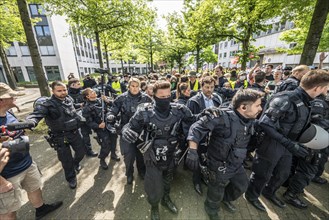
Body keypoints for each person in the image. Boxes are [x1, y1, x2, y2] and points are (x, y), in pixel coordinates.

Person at [245, 70, 329, 212]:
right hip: (272, 144)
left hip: (289, 145)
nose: (327, 90)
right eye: (326, 87)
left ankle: (268, 192)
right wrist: (290, 144)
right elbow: (264, 124)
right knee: (262, 173)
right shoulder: (286, 99)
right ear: (317, 88)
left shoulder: (307, 101)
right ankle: (252, 196)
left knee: (282, 174)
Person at [122, 81, 196, 220]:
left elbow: (194, 122)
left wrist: (208, 114)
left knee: (168, 180)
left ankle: (166, 199)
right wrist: (125, 131)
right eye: (162, 97)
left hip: (172, 153)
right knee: (154, 185)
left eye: (168, 96)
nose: (166, 99)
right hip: (152, 155)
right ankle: (154, 206)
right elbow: (129, 126)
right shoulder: (144, 112)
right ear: (154, 96)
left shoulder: (179, 110)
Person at [186, 88, 264, 220]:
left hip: (236, 163)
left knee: (241, 186)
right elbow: (196, 128)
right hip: (219, 165)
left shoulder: (250, 119)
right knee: (216, 190)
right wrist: (192, 150)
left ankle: (224, 199)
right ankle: (211, 208)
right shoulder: (221, 116)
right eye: (257, 105)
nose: (261, 108)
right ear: (243, 107)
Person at [0, 83, 62, 219]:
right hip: (7, 174)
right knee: (8, 210)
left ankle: (41, 209)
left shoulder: (9, 113)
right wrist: (2, 182)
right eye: (11, 96)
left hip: (25, 163)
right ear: (1, 100)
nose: (14, 98)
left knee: (34, 188)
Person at [26, 81, 86, 189]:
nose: (63, 92)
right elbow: (37, 114)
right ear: (53, 91)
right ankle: (71, 177)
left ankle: (75, 163)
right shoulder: (48, 104)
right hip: (60, 136)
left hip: (75, 133)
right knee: (66, 159)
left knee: (81, 152)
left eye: (64, 90)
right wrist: (31, 121)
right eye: (59, 91)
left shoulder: (69, 99)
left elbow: (72, 107)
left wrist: (81, 105)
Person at [283, 71, 329, 209]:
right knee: (307, 169)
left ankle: (291, 185)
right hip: (312, 141)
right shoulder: (318, 102)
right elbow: (316, 123)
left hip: (313, 139)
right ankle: (292, 193)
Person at [107, 78, 153, 184]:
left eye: (137, 86)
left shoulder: (146, 98)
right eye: (132, 86)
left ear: (140, 87)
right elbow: (113, 110)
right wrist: (110, 115)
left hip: (141, 131)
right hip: (126, 130)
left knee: (141, 154)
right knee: (128, 156)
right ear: (129, 86)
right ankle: (129, 173)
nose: (135, 88)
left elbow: (153, 112)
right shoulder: (121, 98)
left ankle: (142, 171)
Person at [186, 76, 222, 195]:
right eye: (207, 87)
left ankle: (204, 176)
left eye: (212, 87)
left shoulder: (217, 99)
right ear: (201, 87)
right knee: (197, 158)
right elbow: (189, 120)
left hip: (213, 136)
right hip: (199, 136)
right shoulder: (193, 101)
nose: (209, 90)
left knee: (207, 158)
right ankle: (196, 181)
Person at [82, 88, 119, 170]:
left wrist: (107, 101)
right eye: (91, 92)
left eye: (93, 91)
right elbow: (89, 122)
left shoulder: (101, 100)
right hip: (100, 128)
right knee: (106, 143)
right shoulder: (86, 108)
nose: (94, 92)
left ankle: (113, 154)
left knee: (114, 139)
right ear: (87, 96)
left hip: (110, 124)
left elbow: (115, 105)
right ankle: (102, 158)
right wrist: (98, 126)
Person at [68, 78, 98, 157]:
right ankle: (80, 152)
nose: (80, 85)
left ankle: (88, 151)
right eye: (78, 84)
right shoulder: (68, 96)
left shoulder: (82, 92)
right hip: (74, 119)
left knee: (86, 135)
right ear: (72, 85)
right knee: (78, 137)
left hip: (85, 117)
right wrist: (79, 105)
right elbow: (70, 106)